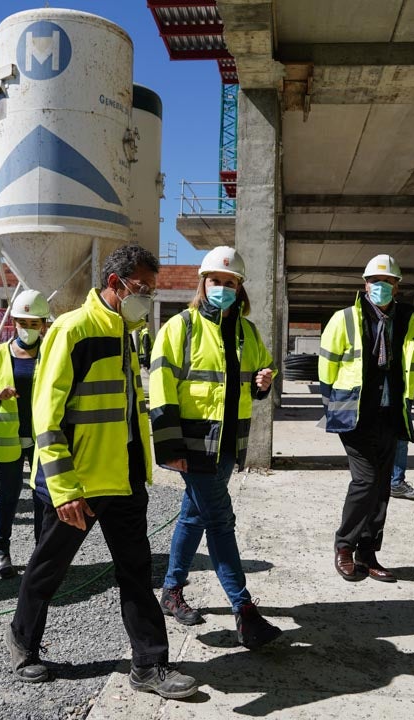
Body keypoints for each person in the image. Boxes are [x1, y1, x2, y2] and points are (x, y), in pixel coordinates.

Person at [5, 245, 197, 699]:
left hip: (125, 480)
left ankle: (149, 666)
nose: (146, 296)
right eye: (142, 287)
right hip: (78, 484)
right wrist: (65, 487)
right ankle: (22, 642)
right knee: (47, 571)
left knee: (136, 572)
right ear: (116, 283)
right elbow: (45, 416)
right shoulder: (74, 329)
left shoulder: (128, 333)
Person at [148, 246, 282, 649]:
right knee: (221, 522)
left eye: (230, 282)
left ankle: (170, 592)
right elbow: (159, 388)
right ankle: (244, 611)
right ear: (202, 284)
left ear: (239, 288)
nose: (222, 287)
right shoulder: (181, 328)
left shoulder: (248, 331)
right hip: (191, 445)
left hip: (228, 445)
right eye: (216, 281)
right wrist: (170, 446)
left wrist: (264, 382)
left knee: (193, 518)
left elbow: (263, 371)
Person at [319, 254, 414, 582]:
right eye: (375, 281)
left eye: (388, 282)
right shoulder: (345, 319)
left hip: (390, 412)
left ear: (397, 286)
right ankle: (344, 546)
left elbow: (408, 368)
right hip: (354, 413)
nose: (380, 287)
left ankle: (368, 552)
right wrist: (333, 405)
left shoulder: (408, 321)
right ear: (365, 285)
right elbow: (327, 366)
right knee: (365, 481)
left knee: (381, 489)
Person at [0, 289, 49, 578]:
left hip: (41, 437)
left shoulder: (51, 353)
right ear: (14, 323)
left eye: (35, 324)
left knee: (41, 497)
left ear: (43, 324)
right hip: (9, 436)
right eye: (24, 322)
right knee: (9, 494)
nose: (29, 329)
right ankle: (1, 550)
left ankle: (40, 552)